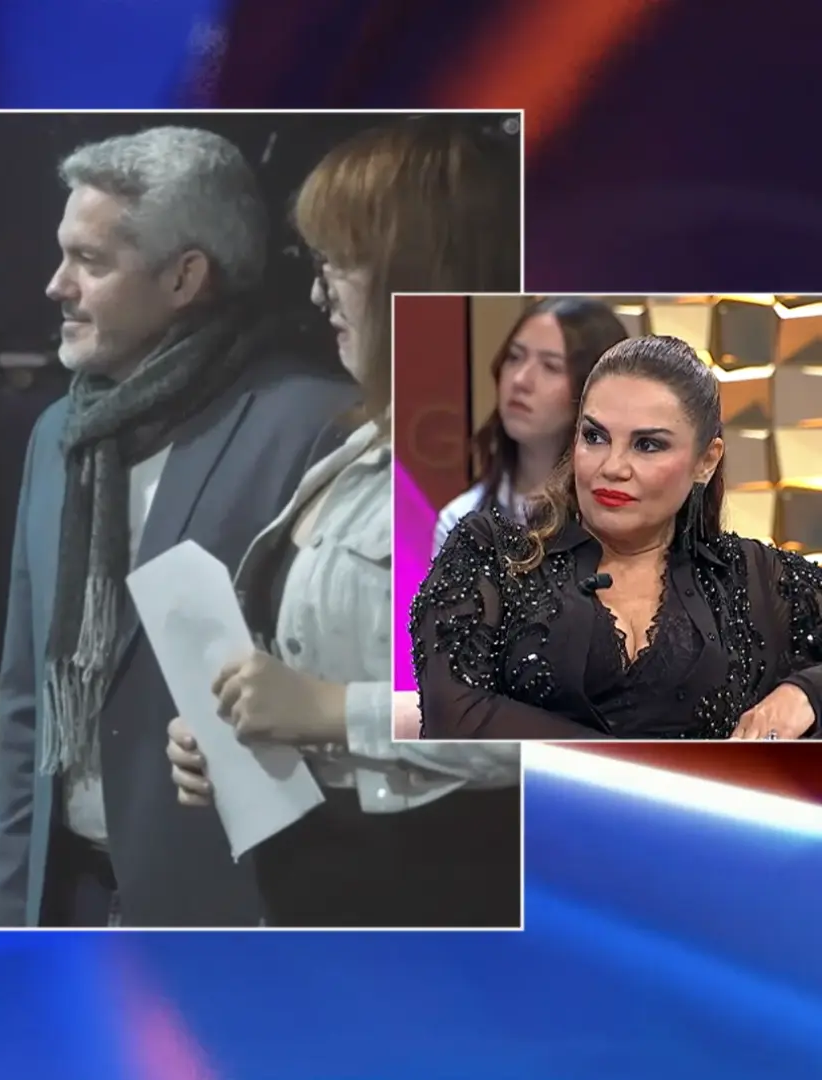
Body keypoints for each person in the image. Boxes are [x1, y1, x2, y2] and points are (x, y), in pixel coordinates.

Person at [0, 127, 360, 928]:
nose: (56, 285)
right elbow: (24, 703)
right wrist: (4, 914)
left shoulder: (314, 427)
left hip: (229, 914)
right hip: (65, 902)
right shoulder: (60, 435)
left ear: (185, 276)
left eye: (90, 261)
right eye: (61, 255)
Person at [166, 116, 524, 927]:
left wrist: (323, 710)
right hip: (321, 889)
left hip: (436, 902)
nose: (318, 292)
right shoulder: (376, 443)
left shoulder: (493, 456)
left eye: (341, 262)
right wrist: (239, 730)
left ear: (419, 268)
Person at [414, 334, 822, 741]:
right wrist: (637, 770)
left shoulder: (752, 578)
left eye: (647, 445)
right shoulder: (491, 553)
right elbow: (454, 718)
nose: (612, 467)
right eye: (595, 437)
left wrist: (804, 694)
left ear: (706, 461)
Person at [433, 297, 629, 554]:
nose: (520, 380)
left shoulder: (623, 513)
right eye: (514, 357)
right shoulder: (462, 520)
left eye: (551, 366)